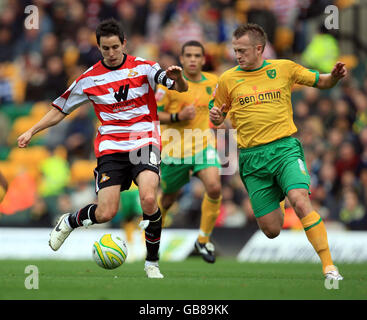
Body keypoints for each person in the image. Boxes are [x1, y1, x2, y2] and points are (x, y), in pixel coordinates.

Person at [17, 18, 188, 279]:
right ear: (98, 47)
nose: (110, 53)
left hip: (144, 141)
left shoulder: (144, 67)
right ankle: (69, 221)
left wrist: (179, 78)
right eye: (105, 48)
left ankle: (151, 263)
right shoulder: (89, 78)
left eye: (115, 47)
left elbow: (177, 85)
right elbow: (60, 110)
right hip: (111, 147)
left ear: (124, 44)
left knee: (149, 198)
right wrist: (31, 130)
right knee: (106, 212)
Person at [209, 23, 346, 280]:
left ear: (259, 48)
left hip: (284, 149)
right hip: (252, 160)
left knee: (301, 200)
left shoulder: (284, 68)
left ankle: (329, 266)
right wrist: (216, 116)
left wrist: (335, 76)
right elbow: (217, 115)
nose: (237, 55)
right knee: (271, 230)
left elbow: (321, 81)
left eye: (242, 50)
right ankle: (279, 191)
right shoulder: (227, 79)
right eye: (235, 50)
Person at [156, 40, 222, 263]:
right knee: (167, 200)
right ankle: (151, 237)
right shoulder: (168, 84)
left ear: (203, 60)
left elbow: (220, 110)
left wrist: (220, 118)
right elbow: (155, 114)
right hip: (174, 149)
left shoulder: (214, 82)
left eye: (197, 55)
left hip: (204, 145)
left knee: (214, 187)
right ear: (181, 59)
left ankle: (203, 240)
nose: (193, 59)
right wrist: (178, 117)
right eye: (189, 55)